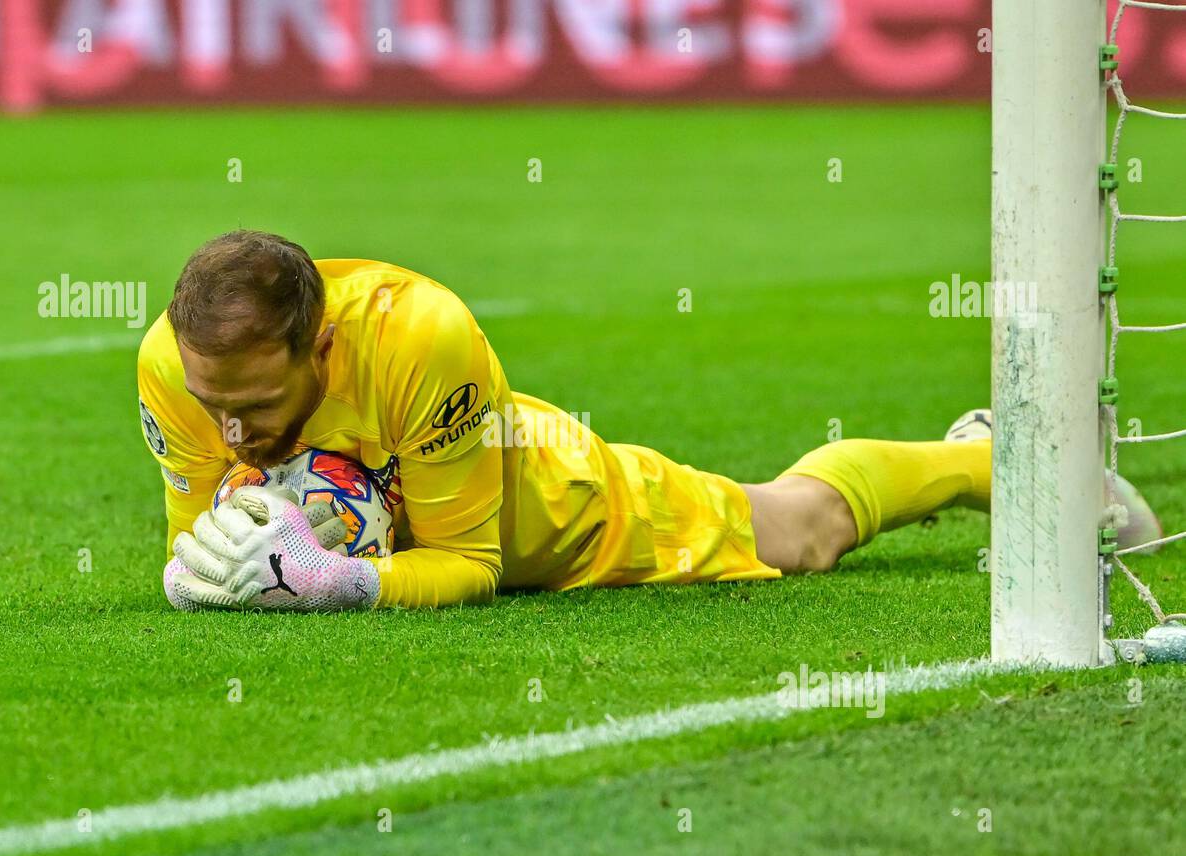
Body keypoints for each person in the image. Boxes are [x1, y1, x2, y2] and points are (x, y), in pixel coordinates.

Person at [138, 230, 1158, 611]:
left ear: (319, 347)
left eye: (260, 408)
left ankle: (987, 458)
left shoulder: (420, 336)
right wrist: (211, 570)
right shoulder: (175, 367)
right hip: (433, 506)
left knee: (801, 532)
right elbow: (195, 539)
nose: (233, 436)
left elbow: (470, 561)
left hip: (564, 505)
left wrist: (340, 579)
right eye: (214, 407)